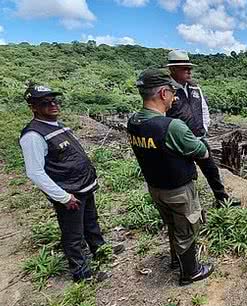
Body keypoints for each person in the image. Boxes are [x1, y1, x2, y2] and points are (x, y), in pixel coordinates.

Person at [19, 84, 121, 281]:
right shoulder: (33, 135)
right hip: (69, 192)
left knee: (91, 222)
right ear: (33, 107)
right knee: (72, 235)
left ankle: (100, 250)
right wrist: (63, 197)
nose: (53, 105)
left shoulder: (57, 125)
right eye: (45, 102)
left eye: (55, 100)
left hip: (84, 186)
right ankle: (81, 273)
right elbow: (35, 172)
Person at [127, 68, 214, 286]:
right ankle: (190, 272)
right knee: (186, 228)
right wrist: (199, 144)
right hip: (178, 188)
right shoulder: (172, 126)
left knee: (172, 225)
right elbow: (202, 152)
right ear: (163, 94)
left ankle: (177, 261)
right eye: (172, 93)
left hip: (156, 187)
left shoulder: (134, 121)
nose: (174, 98)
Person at [166, 50, 240, 208]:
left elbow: (204, 109)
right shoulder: (167, 91)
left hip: (199, 138)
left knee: (211, 170)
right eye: (185, 68)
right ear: (172, 70)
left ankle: (222, 199)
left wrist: (204, 127)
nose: (189, 71)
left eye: (189, 67)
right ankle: (190, 206)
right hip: (180, 143)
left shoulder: (194, 88)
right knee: (186, 174)